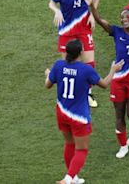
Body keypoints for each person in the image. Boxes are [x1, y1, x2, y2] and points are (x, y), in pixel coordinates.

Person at [45, 39, 124, 184]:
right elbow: (105, 84)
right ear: (80, 52)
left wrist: (48, 74)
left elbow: (48, 85)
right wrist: (113, 70)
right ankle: (68, 179)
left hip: (62, 113)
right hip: (79, 117)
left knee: (69, 144)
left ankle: (72, 177)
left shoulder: (58, 65)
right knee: (81, 149)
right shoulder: (86, 69)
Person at [83, 0, 129, 158]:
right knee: (119, 115)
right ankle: (123, 146)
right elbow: (99, 20)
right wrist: (91, 5)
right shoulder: (116, 32)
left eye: (128, 16)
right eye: (122, 17)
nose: (124, 19)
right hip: (119, 80)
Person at [48, 0, 100, 108]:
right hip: (66, 30)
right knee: (68, 64)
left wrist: (92, 13)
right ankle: (67, 94)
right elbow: (51, 2)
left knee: (89, 63)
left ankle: (88, 93)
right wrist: (56, 10)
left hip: (84, 28)